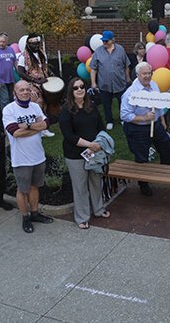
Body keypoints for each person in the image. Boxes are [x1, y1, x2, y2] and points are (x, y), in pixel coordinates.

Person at [2, 81, 54, 233]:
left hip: (38, 156)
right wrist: (36, 127)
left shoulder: (35, 106)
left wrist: (28, 126)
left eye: (27, 89)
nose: (25, 92)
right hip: (21, 159)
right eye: (21, 90)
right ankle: (25, 218)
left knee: (34, 187)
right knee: (22, 190)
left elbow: (46, 124)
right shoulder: (9, 110)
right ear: (15, 93)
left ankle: (35, 213)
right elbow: (15, 132)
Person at [59, 77, 110, 229]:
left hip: (94, 152)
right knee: (80, 186)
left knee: (96, 182)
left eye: (82, 86)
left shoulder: (92, 106)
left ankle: (99, 209)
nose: (80, 89)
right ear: (71, 91)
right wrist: (89, 145)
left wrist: (99, 143)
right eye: (75, 88)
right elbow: (68, 135)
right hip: (75, 154)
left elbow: (101, 127)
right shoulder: (66, 110)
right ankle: (82, 217)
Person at [121, 62, 170, 196]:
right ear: (137, 75)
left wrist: (161, 120)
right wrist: (144, 117)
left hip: (155, 125)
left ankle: (166, 173)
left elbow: (159, 104)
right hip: (137, 128)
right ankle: (143, 184)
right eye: (144, 73)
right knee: (142, 156)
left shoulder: (154, 85)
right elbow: (125, 115)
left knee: (166, 145)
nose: (148, 76)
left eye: (150, 73)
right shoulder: (131, 93)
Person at [90, 31, 131, 131]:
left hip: (120, 83)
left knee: (122, 102)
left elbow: (126, 65)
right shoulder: (98, 52)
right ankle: (109, 121)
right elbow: (93, 68)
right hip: (104, 84)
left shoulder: (120, 50)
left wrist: (128, 77)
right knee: (106, 104)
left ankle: (123, 118)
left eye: (106, 40)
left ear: (112, 40)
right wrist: (93, 82)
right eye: (103, 40)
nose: (104, 42)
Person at [17, 33, 49, 114]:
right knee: (38, 102)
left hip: (43, 80)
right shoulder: (23, 57)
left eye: (37, 43)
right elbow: (20, 72)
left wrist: (51, 74)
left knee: (48, 100)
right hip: (31, 83)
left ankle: (46, 119)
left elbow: (44, 66)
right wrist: (35, 80)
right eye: (34, 44)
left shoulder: (42, 54)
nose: (36, 45)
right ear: (28, 44)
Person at [0, 32, 16, 111]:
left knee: (12, 99)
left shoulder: (10, 49)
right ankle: (6, 119)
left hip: (10, 79)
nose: (2, 43)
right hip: (1, 80)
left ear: (6, 42)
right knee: (5, 100)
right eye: (0, 41)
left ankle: (12, 118)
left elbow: (15, 62)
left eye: (4, 42)